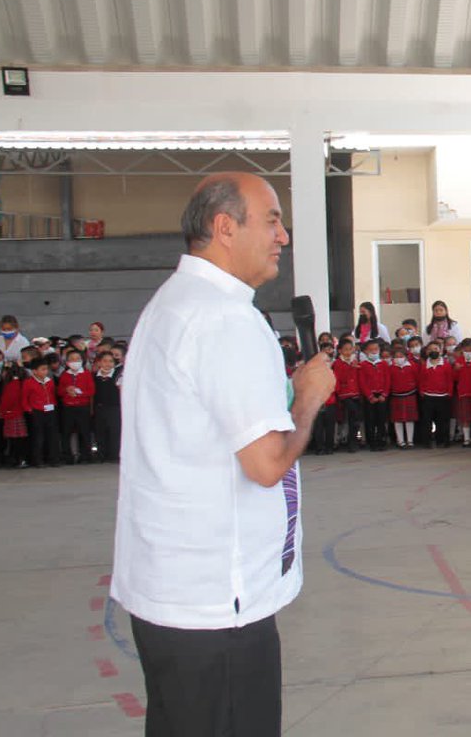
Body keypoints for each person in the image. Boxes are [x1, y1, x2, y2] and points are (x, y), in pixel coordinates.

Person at [109, 172, 335, 737]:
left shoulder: (175, 303)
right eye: (273, 219)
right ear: (225, 228)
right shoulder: (225, 318)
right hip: (216, 604)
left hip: (174, 590)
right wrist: (307, 401)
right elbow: (265, 465)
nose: (283, 236)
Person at [58, 347, 95, 464]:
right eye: (72, 359)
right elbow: (59, 391)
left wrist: (78, 393)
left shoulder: (86, 374)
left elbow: (91, 391)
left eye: (77, 359)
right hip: (68, 407)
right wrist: (66, 390)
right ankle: (67, 456)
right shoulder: (64, 375)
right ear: (67, 362)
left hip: (82, 406)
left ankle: (85, 456)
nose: (75, 362)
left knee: (84, 431)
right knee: (66, 432)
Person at [23, 358, 60, 468]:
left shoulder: (50, 381)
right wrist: (29, 410)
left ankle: (53, 459)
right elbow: (24, 398)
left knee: (52, 436)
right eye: (42, 369)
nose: (45, 372)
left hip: (50, 411)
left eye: (46, 369)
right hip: (37, 412)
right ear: (34, 371)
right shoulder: (28, 382)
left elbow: (53, 394)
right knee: (38, 437)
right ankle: (37, 460)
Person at [417, 342, 454, 448]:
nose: (434, 351)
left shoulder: (446, 365)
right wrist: (422, 392)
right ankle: (427, 441)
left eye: (436, 348)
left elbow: (449, 380)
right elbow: (421, 380)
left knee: (442, 421)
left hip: (443, 397)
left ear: (440, 351)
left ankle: (442, 440)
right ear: (427, 352)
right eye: (431, 349)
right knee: (427, 421)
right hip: (428, 396)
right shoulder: (424, 366)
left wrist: (449, 392)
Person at [358, 340, 390, 451]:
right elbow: (362, 382)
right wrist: (369, 396)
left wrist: (384, 394)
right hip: (370, 396)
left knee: (381, 419)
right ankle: (371, 442)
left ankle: (382, 440)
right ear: (366, 351)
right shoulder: (363, 365)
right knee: (370, 419)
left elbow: (387, 380)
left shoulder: (383, 364)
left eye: (376, 349)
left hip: (381, 395)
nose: (374, 352)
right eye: (371, 350)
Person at [333, 339, 363, 453]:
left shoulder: (355, 361)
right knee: (352, 414)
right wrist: (339, 392)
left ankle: (353, 441)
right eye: (345, 349)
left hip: (355, 392)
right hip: (344, 394)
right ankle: (349, 441)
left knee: (354, 419)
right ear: (340, 350)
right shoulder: (338, 363)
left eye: (350, 349)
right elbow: (338, 378)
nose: (348, 352)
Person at [93, 351, 122, 463]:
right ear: (99, 362)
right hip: (99, 408)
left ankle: (114, 455)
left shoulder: (118, 376)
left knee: (114, 431)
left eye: (111, 361)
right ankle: (101, 454)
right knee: (100, 431)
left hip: (114, 408)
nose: (108, 364)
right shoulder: (95, 376)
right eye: (105, 361)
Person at [388, 345, 419, 448]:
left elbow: (417, 378)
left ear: (406, 356)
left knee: (410, 419)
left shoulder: (412, 366)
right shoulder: (391, 368)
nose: (399, 358)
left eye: (401, 356)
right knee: (398, 419)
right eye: (396, 356)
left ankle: (410, 440)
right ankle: (400, 440)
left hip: (410, 394)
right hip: (396, 395)